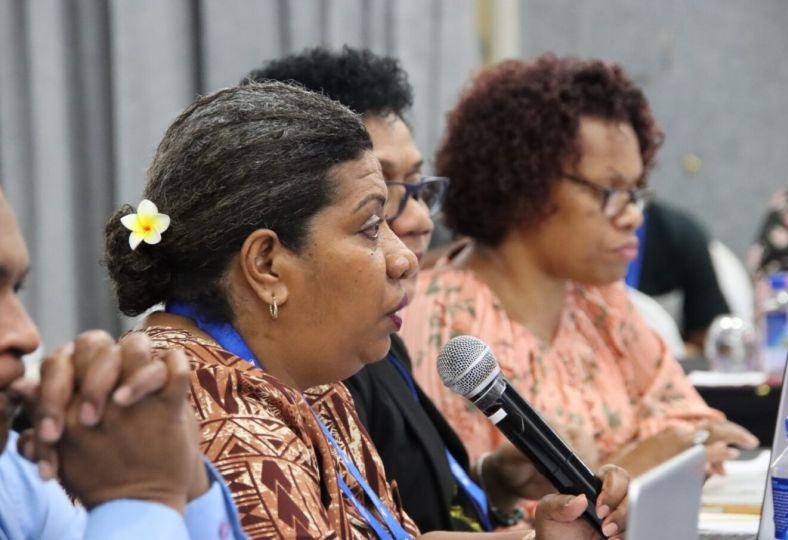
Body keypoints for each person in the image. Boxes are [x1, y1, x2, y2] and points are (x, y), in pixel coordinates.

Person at [102, 80, 628, 539]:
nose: (404, 258)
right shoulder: (216, 421)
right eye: (372, 227)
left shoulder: (307, 380)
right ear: (267, 264)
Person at [246, 46, 568, 533]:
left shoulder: (377, 331)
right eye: (380, 203)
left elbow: (403, 501)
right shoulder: (307, 361)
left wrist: (491, 480)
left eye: (418, 187)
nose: (418, 221)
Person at [400, 54, 759, 481]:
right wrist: (643, 459)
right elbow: (476, 505)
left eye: (635, 191)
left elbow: (693, 421)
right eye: (609, 190)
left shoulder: (600, 301)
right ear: (524, 182)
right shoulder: (442, 322)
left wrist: (650, 455)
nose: (633, 216)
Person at [0, 189, 245, 539]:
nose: (27, 335)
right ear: (264, 263)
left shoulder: (13, 474)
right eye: (355, 230)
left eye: (17, 290)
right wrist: (142, 496)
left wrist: (184, 478)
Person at [627, 200, 730, 355]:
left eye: (633, 191)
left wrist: (674, 353)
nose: (633, 217)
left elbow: (712, 340)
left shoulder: (679, 234)